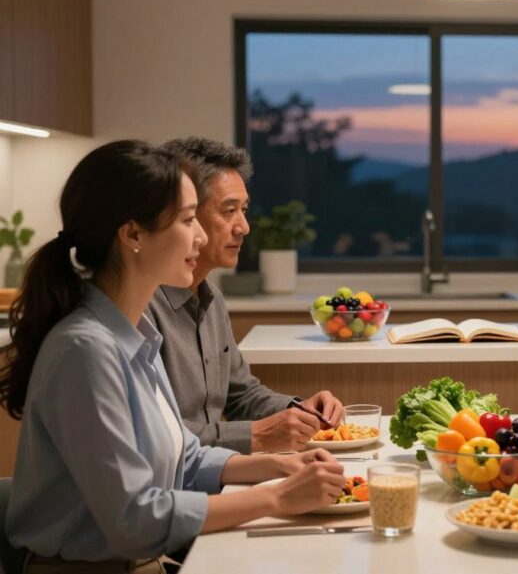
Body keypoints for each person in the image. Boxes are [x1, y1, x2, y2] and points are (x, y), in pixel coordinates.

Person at [0, 141, 347, 572]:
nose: (200, 236)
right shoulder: (84, 350)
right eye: (187, 219)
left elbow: (187, 459)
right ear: (133, 236)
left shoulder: (135, 335)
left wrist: (281, 464)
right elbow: (135, 519)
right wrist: (276, 495)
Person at [148, 137, 344, 453]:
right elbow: (154, 436)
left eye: (244, 210)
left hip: (211, 476)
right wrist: (256, 436)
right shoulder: (141, 309)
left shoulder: (212, 300)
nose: (244, 227)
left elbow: (241, 395)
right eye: (229, 211)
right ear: (184, 215)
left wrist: (301, 410)